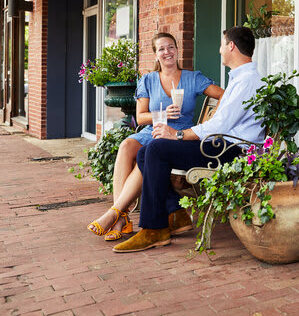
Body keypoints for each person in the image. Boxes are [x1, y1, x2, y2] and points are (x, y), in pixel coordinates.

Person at [113, 26, 265, 253]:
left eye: (223, 44)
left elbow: (221, 125)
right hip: (220, 143)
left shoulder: (246, 81)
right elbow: (223, 120)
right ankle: (174, 212)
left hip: (230, 149)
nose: (220, 49)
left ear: (231, 46)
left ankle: (153, 229)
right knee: (148, 151)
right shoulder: (239, 78)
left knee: (156, 150)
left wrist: (179, 134)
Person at [87, 32, 224, 241]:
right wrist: (162, 115)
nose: (167, 52)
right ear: (155, 55)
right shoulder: (148, 80)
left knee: (148, 154)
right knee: (126, 146)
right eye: (161, 49)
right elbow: (141, 117)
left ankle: (116, 217)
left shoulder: (193, 78)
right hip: (152, 130)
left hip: (176, 136)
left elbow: (225, 96)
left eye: (170, 47)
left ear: (177, 50)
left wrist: (210, 123)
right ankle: (121, 218)